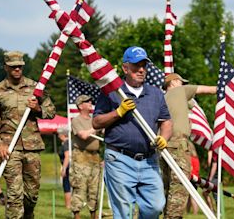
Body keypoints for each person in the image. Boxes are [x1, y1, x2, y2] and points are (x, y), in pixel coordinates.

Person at [92, 46, 172, 219]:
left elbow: (166, 121)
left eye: (144, 65)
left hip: (149, 160)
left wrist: (164, 138)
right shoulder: (112, 92)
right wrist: (118, 112)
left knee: (156, 206)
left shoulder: (156, 93)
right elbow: (96, 122)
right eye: (136, 65)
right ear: (125, 68)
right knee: (124, 211)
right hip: (119, 159)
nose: (141, 69)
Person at [0, 50, 56, 219]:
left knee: (31, 195)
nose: (17, 69)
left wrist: (38, 109)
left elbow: (51, 111)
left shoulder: (35, 88)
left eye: (20, 66)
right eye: (13, 67)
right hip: (10, 149)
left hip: (32, 147)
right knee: (15, 194)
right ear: (5, 68)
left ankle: (28, 215)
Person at [162, 73, 216, 218]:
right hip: (178, 143)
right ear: (173, 82)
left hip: (162, 143)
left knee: (167, 186)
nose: (183, 85)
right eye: (181, 82)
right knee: (179, 185)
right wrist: (232, 88)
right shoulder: (179, 91)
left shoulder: (161, 98)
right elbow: (209, 90)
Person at [70, 95, 102, 219]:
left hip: (95, 157)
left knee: (94, 189)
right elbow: (83, 135)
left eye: (90, 101)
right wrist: (96, 127)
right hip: (81, 157)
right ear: (80, 106)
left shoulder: (94, 119)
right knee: (79, 187)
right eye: (87, 101)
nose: (90, 103)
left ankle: (93, 215)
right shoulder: (76, 120)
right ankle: (77, 215)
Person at [57, 126, 71, 209]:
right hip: (70, 166)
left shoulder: (66, 143)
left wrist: (64, 169)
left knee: (67, 185)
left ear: (63, 135)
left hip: (68, 167)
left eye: (59, 134)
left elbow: (67, 156)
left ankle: (68, 205)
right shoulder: (70, 142)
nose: (58, 136)